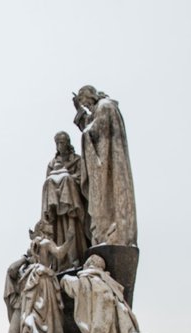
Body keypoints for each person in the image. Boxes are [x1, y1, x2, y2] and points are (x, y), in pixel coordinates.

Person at [72, 85, 137, 247]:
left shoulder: (105, 107)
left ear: (91, 96)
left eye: (85, 102)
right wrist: (79, 111)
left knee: (105, 200)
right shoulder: (100, 109)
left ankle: (109, 233)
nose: (86, 106)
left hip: (106, 164)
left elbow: (93, 132)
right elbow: (89, 125)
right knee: (101, 203)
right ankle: (103, 235)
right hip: (103, 162)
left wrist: (86, 132)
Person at [40, 131, 88, 268]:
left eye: (62, 142)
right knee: (50, 182)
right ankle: (60, 262)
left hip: (73, 205)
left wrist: (67, 180)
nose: (59, 145)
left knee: (67, 179)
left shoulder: (77, 160)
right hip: (56, 210)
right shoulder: (52, 164)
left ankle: (76, 259)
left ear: (67, 143)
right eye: (57, 143)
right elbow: (47, 184)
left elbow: (82, 179)